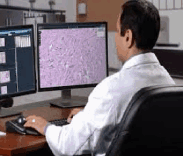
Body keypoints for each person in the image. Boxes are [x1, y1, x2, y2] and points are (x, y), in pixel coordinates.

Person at [24, 0, 175, 155]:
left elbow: (69, 146)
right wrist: (85, 116)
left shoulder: (111, 89)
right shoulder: (168, 83)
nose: (116, 38)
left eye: (117, 31)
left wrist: (46, 127)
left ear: (128, 37)